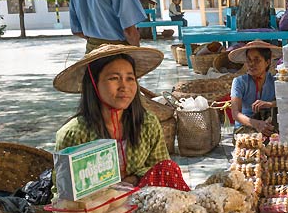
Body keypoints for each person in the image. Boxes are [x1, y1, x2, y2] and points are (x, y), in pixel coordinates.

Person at [53, 45, 188, 190]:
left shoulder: (147, 123)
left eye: (130, 78)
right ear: (93, 85)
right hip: (98, 209)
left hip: (143, 201)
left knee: (169, 168)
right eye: (114, 78)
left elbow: (160, 167)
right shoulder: (73, 134)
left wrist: (134, 179)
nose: (124, 86)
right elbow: (62, 190)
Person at [228, 40, 280, 137]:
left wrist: (270, 104)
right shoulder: (239, 82)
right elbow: (235, 114)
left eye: (257, 60)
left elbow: (285, 103)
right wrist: (256, 124)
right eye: (249, 60)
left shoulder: (274, 82)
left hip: (267, 126)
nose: (251, 64)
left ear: (267, 62)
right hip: (244, 129)